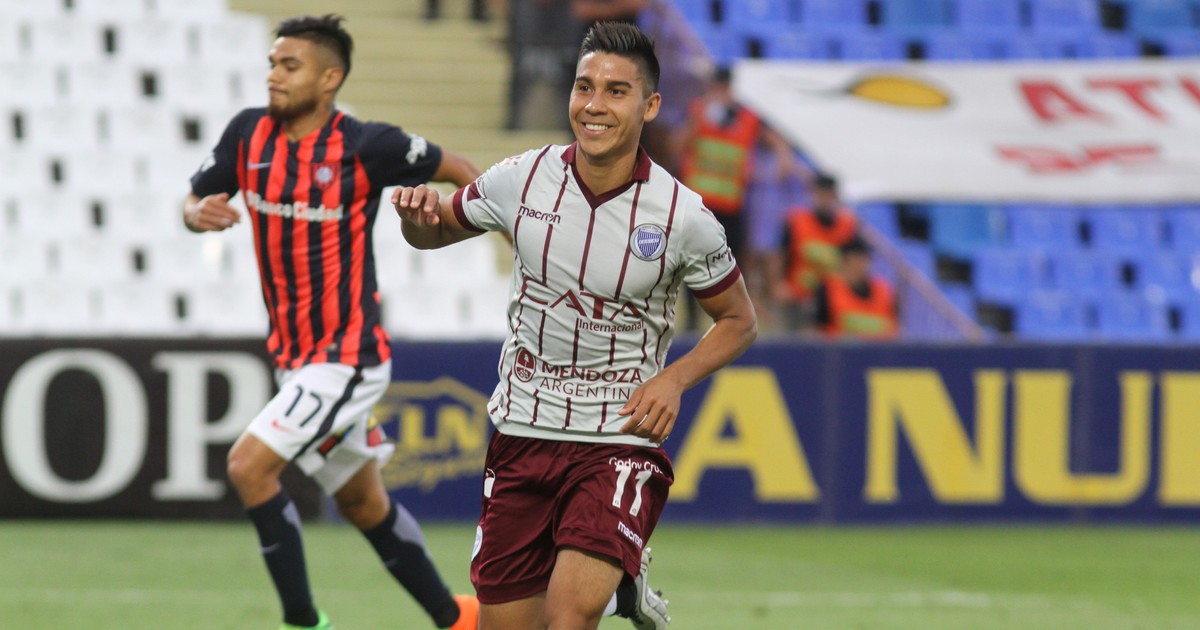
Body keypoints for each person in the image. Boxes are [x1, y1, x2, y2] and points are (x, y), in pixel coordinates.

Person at [392, 21, 757, 630]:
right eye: (584, 86)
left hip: (618, 435)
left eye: (616, 91)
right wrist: (416, 218)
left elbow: (739, 321)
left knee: (568, 616)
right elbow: (434, 232)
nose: (594, 104)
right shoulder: (522, 178)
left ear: (650, 106)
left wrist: (673, 380)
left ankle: (605, 583)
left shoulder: (682, 216)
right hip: (522, 429)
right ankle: (623, 588)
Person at [182, 14, 482, 630]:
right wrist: (196, 212)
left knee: (248, 467)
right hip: (294, 361)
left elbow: (460, 168)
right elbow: (194, 197)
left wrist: (486, 235)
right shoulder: (247, 134)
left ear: (329, 78)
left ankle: (302, 622)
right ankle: (455, 618)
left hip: (348, 357)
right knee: (362, 502)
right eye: (272, 63)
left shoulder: (368, 145)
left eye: (289, 66)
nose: (274, 75)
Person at [673, 65, 807, 262]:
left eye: (724, 87)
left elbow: (775, 140)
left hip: (731, 206)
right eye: (717, 87)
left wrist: (784, 156)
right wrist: (699, 119)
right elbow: (675, 146)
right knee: (690, 260)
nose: (720, 92)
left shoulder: (747, 117)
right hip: (697, 204)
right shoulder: (697, 111)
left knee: (726, 262)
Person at [770, 173, 860, 331]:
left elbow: (853, 261)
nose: (824, 199)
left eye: (828, 195)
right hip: (796, 295)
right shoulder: (797, 221)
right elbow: (780, 254)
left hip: (830, 299)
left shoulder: (847, 226)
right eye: (820, 194)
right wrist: (778, 284)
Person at [813, 236, 898, 339]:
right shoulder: (828, 289)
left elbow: (894, 331)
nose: (863, 264)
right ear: (845, 261)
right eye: (857, 258)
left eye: (865, 259)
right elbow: (817, 331)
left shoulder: (884, 292)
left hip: (878, 349)